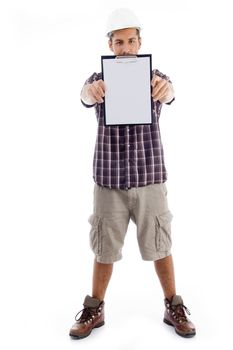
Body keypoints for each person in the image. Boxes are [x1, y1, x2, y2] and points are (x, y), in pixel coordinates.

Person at [69, 8, 196, 339]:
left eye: (131, 41)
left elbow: (170, 93)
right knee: (104, 247)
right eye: (119, 42)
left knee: (160, 243)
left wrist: (166, 91)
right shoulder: (97, 81)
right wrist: (89, 94)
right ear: (110, 44)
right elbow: (83, 97)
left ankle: (173, 305)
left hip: (149, 177)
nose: (125, 47)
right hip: (108, 180)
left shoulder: (155, 77)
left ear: (139, 43)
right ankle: (95, 309)